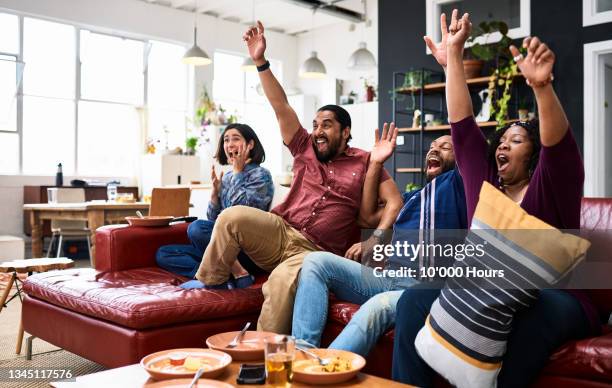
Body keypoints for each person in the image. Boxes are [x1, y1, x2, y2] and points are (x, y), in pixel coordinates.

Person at [392, 10, 599, 387]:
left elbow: (559, 148)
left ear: (534, 155)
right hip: (492, 290)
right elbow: (462, 126)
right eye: (500, 141)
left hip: (557, 296)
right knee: (412, 302)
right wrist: (454, 56)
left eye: (516, 140)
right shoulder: (485, 186)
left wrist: (541, 88)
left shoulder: (550, 187)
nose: (503, 144)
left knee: (536, 311)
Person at [186, 21, 404, 335]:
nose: (317, 131)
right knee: (230, 217)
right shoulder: (305, 147)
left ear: (345, 132)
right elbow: (280, 106)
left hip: (314, 251)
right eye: (315, 124)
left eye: (326, 125)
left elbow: (395, 202)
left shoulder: (366, 161)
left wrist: (376, 239)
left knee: (279, 283)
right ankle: (211, 282)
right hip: (280, 230)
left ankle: (259, 358)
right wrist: (260, 61)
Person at [292, 130, 467, 356]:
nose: (434, 149)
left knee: (377, 307)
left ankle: (322, 372)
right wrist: (375, 162)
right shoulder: (413, 197)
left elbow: (468, 144)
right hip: (389, 277)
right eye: (432, 145)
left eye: (445, 147)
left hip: (421, 289)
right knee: (316, 262)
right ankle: (301, 355)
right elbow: (366, 216)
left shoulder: (459, 186)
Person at [156, 123, 274, 286]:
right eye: (226, 140)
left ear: (250, 144)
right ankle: (212, 275)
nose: (229, 144)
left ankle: (238, 273)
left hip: (247, 249)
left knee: (196, 229)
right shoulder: (226, 176)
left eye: (235, 139)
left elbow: (241, 217)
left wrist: (238, 174)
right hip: (223, 246)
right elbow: (214, 219)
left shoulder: (261, 175)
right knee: (163, 253)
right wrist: (214, 194)